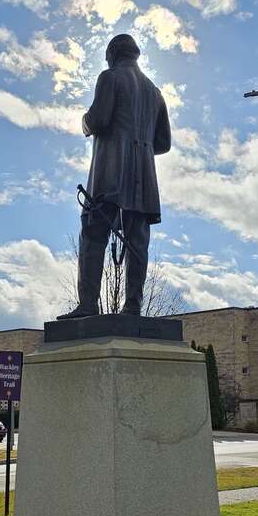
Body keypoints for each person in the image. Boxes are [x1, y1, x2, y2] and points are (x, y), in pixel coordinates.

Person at [58, 33, 171, 319]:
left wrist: (84, 121)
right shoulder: (155, 92)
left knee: (94, 232)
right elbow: (164, 143)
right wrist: (140, 147)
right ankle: (133, 306)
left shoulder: (109, 78)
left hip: (110, 171)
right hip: (143, 177)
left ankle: (87, 306)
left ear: (112, 53)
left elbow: (98, 119)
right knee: (137, 241)